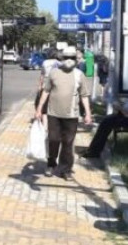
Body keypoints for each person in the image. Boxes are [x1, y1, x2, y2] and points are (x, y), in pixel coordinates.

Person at [36, 46, 92, 180]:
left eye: (72, 58)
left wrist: (88, 114)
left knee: (68, 143)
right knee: (53, 139)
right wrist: (39, 109)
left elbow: (84, 95)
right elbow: (46, 91)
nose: (69, 60)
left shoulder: (79, 74)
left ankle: (66, 169)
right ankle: (51, 163)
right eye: (66, 57)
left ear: (76, 59)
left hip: (71, 115)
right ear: (61, 58)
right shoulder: (54, 73)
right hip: (53, 113)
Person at [35, 48, 61, 129]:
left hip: (46, 86)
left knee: (44, 110)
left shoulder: (45, 62)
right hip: (56, 87)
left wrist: (39, 86)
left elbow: (42, 76)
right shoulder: (59, 63)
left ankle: (45, 128)